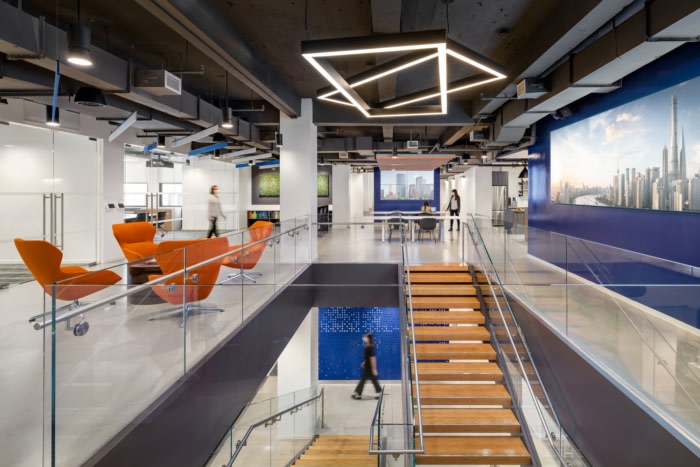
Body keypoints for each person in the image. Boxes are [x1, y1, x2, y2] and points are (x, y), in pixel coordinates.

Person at [352, 332, 381, 400]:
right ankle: (378, 392)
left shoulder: (369, 347)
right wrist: (364, 362)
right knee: (371, 380)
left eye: (365, 336)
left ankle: (358, 394)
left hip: (369, 368)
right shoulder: (368, 346)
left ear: (369, 338)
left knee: (364, 380)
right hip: (368, 366)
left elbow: (373, 358)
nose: (364, 338)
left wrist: (374, 369)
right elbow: (368, 357)